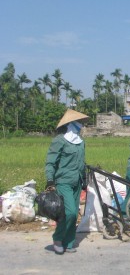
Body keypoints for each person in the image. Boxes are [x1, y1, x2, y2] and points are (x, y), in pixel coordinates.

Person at [45, 109, 89, 255]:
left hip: (77, 181)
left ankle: (69, 242)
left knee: (74, 212)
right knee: (69, 212)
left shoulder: (80, 142)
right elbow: (51, 161)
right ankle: (58, 239)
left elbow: (81, 162)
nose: (81, 125)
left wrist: (85, 179)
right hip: (63, 181)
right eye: (79, 123)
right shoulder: (59, 140)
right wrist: (50, 179)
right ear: (71, 124)